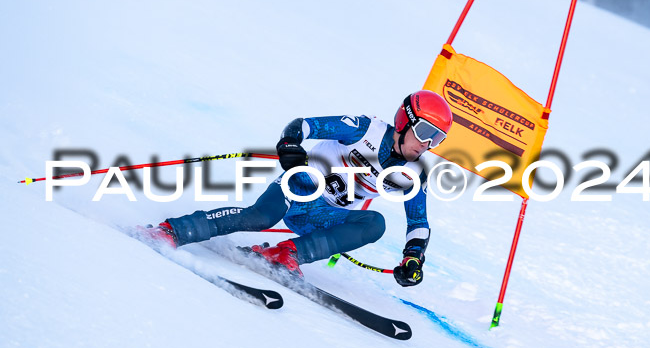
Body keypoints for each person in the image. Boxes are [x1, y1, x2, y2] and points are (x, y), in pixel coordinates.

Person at [145, 90, 453, 287]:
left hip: (325, 218)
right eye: (425, 132)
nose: (427, 144)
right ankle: (173, 230)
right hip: (300, 188)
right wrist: (289, 144)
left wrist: (413, 257)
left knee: (374, 223)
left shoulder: (413, 172)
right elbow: (303, 125)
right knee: (260, 218)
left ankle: (287, 254)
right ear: (405, 121)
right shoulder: (364, 129)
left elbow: (418, 223)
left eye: (436, 139)